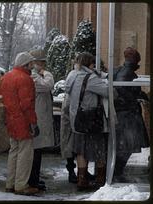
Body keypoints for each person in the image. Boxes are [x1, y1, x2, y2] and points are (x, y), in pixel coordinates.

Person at [0, 51, 40, 196]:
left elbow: (0, 97)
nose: (33, 65)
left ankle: (10, 183)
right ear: (26, 64)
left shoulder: (6, 77)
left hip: (10, 118)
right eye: (31, 63)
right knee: (25, 154)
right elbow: (26, 104)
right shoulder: (25, 79)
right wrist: (33, 123)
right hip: (23, 120)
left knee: (14, 151)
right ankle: (21, 185)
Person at [65, 52, 109, 191]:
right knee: (98, 149)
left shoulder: (72, 75)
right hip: (91, 120)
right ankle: (100, 179)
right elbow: (109, 92)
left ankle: (81, 180)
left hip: (77, 119)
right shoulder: (90, 78)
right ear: (90, 64)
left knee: (80, 151)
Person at [113, 47, 149, 182]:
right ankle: (117, 172)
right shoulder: (127, 71)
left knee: (125, 145)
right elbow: (122, 87)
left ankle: (117, 171)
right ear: (134, 59)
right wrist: (135, 99)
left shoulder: (122, 70)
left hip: (125, 112)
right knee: (126, 145)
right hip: (127, 114)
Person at [28, 49, 55, 191]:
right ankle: (33, 180)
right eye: (42, 62)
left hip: (39, 114)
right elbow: (47, 85)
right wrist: (47, 74)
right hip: (37, 116)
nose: (44, 65)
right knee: (35, 151)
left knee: (37, 151)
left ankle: (35, 178)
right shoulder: (34, 75)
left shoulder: (36, 74)